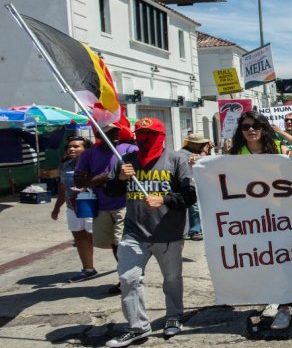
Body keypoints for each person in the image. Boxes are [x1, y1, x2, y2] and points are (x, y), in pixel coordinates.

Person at [104, 118, 197, 347]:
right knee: (128, 278)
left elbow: (190, 196)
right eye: (141, 134)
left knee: (172, 279)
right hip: (134, 232)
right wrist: (120, 179)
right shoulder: (126, 161)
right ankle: (137, 327)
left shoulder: (177, 160)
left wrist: (164, 199)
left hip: (168, 233)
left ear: (161, 135)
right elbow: (110, 191)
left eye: (150, 134)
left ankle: (174, 316)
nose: (145, 139)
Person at [228, 111, 292, 330]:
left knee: (283, 261)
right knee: (263, 261)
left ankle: (284, 308)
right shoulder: (236, 154)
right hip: (251, 219)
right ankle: (271, 298)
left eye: (256, 126)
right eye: (246, 126)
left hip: (281, 217)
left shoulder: (278, 149)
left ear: (264, 129)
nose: (251, 130)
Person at [75, 123, 138, 294]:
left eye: (117, 130)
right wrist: (110, 175)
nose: (116, 134)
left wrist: (93, 178)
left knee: (121, 243)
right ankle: (128, 275)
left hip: (125, 203)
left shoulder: (129, 149)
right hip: (101, 205)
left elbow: (136, 171)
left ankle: (125, 279)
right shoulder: (89, 154)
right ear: (99, 134)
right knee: (110, 243)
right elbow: (79, 182)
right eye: (110, 132)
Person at [51, 136, 97, 282]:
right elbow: (63, 187)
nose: (72, 149)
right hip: (72, 206)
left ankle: (124, 268)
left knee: (98, 238)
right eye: (70, 146)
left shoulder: (94, 164)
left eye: (76, 146)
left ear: (86, 149)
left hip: (91, 205)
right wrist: (57, 207)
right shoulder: (66, 165)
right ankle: (88, 269)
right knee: (80, 237)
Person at [179, 133, 211, 241]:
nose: (202, 145)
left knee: (198, 208)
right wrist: (204, 152)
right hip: (188, 184)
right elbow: (201, 161)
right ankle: (195, 231)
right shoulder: (183, 153)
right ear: (192, 144)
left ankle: (198, 229)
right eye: (200, 144)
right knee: (194, 208)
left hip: (197, 182)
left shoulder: (195, 151)